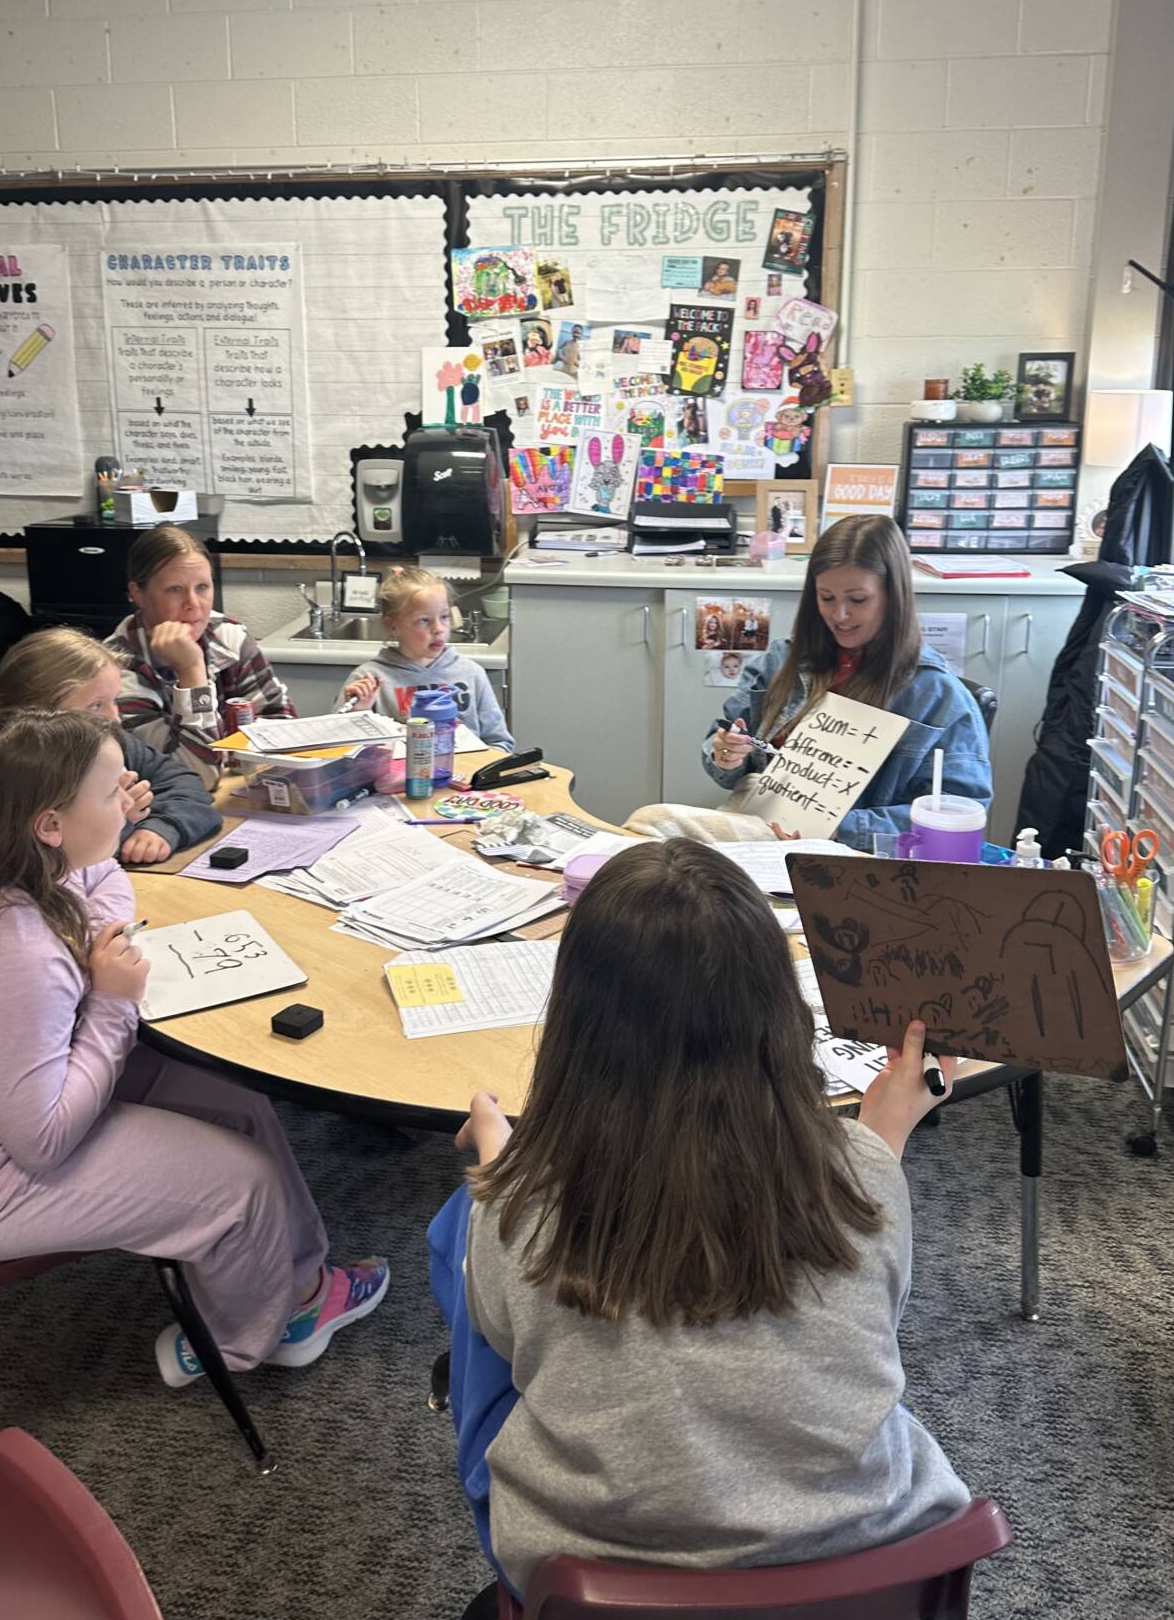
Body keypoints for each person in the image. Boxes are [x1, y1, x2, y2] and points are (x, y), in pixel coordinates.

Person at [429, 841, 968, 1604]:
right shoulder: (866, 1173)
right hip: (869, 1575)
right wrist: (883, 1133)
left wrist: (496, 1160)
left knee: (465, 1258)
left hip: (598, 1585)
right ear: (781, 1011)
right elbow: (875, 1306)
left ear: (577, 1025)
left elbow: (510, 1336)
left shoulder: (516, 1207)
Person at [0, 706, 388, 1389]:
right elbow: (43, 1142)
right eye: (110, 789)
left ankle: (296, 1284)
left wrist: (101, 949)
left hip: (11, 1111)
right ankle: (250, 1338)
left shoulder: (20, 867)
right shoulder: (13, 951)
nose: (128, 798)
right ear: (50, 825)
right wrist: (114, 1001)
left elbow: (102, 883)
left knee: (234, 1101)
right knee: (244, 1185)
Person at [626, 515, 991, 847]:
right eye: (826, 597)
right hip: (759, 822)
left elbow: (959, 816)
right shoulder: (784, 660)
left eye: (859, 600)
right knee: (655, 849)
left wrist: (839, 827)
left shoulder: (939, 697)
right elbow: (725, 756)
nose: (840, 615)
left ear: (894, 597)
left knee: (652, 825)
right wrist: (726, 755)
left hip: (842, 852)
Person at [0, 627, 221, 933]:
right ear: (40, 715)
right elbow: (16, 889)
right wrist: (116, 822)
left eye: (114, 701)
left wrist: (160, 827)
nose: (114, 719)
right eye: (96, 705)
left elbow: (185, 781)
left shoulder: (96, 744)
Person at [106, 525, 294, 788]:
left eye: (202, 587)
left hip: (241, 790)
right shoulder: (115, 669)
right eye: (174, 589)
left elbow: (284, 728)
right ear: (138, 594)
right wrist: (192, 671)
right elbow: (194, 777)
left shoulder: (227, 635)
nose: (193, 603)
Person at [339, 565, 514, 751]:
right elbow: (341, 751)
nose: (439, 629)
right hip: (399, 778)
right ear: (392, 626)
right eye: (424, 620)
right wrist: (358, 713)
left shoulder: (471, 673)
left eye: (445, 617)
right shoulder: (369, 679)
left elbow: (500, 743)